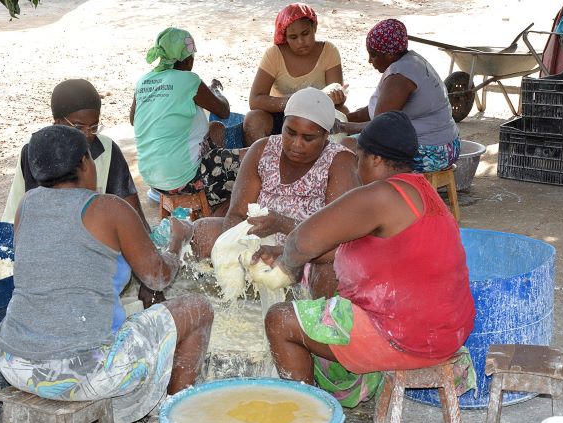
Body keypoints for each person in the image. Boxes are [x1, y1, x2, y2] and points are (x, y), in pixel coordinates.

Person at [0, 125, 213, 423]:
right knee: (198, 309)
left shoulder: (26, 205)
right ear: (85, 163)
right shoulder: (108, 208)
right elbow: (158, 277)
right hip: (83, 371)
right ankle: (171, 414)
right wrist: (177, 238)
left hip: (15, 361)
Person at [257, 112, 475, 407]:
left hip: (404, 338)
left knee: (280, 320)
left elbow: (303, 240)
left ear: (373, 159)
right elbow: (346, 250)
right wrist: (284, 253)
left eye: (358, 160)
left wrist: (286, 265)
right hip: (446, 332)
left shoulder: (382, 195)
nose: (356, 171)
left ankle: (309, 412)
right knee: (322, 282)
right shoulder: (422, 191)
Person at [193, 87, 358, 299]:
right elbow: (236, 214)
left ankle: (307, 310)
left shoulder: (340, 161)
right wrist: (242, 251)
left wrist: (282, 225)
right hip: (256, 239)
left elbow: (336, 236)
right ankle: (245, 286)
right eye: (290, 132)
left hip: (308, 250)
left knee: (330, 271)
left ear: (326, 136)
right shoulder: (262, 150)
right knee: (201, 232)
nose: (296, 144)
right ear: (284, 125)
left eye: (309, 138)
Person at [2, 79, 149, 231]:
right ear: (57, 123)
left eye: (94, 126)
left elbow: (131, 209)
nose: (87, 135)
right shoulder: (36, 149)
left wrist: (148, 241)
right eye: (78, 127)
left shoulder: (107, 149)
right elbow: (39, 213)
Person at [131, 27, 243, 213]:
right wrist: (215, 89)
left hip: (152, 178)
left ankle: (209, 199)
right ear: (189, 58)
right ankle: (219, 210)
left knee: (215, 128)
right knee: (249, 161)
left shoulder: (144, 81)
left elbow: (133, 119)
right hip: (184, 178)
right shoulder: (189, 80)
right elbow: (223, 110)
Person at [338, 19, 460, 173]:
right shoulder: (412, 61)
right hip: (448, 146)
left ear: (389, 54)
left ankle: (369, 195)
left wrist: (342, 127)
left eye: (373, 55)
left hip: (433, 152)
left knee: (346, 148)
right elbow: (375, 110)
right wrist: (347, 117)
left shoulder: (399, 78)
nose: (370, 61)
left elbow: (379, 127)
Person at [243, 2, 347, 146]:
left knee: (343, 112)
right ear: (285, 37)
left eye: (305, 33)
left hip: (317, 117)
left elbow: (338, 101)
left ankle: (327, 163)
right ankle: (261, 163)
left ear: (314, 28)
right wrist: (302, 100)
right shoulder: (274, 54)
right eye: (293, 37)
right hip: (282, 115)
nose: (301, 41)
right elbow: (255, 101)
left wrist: (337, 94)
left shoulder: (329, 51)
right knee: (253, 119)